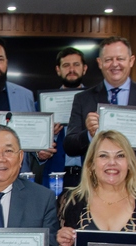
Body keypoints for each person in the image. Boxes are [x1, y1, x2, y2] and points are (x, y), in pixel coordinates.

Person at [64, 36, 136, 193]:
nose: (115, 64)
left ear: (131, 60)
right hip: (96, 186)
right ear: (100, 63)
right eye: (108, 60)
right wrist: (89, 134)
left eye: (120, 58)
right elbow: (70, 146)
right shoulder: (83, 98)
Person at [0, 37, 54, 174]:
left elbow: (32, 141)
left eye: (0, 59)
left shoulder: (24, 96)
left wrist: (40, 152)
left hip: (17, 178)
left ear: (6, 63)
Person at [41, 47, 89, 189]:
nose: (71, 69)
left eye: (76, 65)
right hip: (55, 175)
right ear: (58, 69)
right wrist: (45, 144)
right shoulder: (43, 103)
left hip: (88, 175)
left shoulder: (96, 102)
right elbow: (36, 147)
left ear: (84, 68)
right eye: (66, 65)